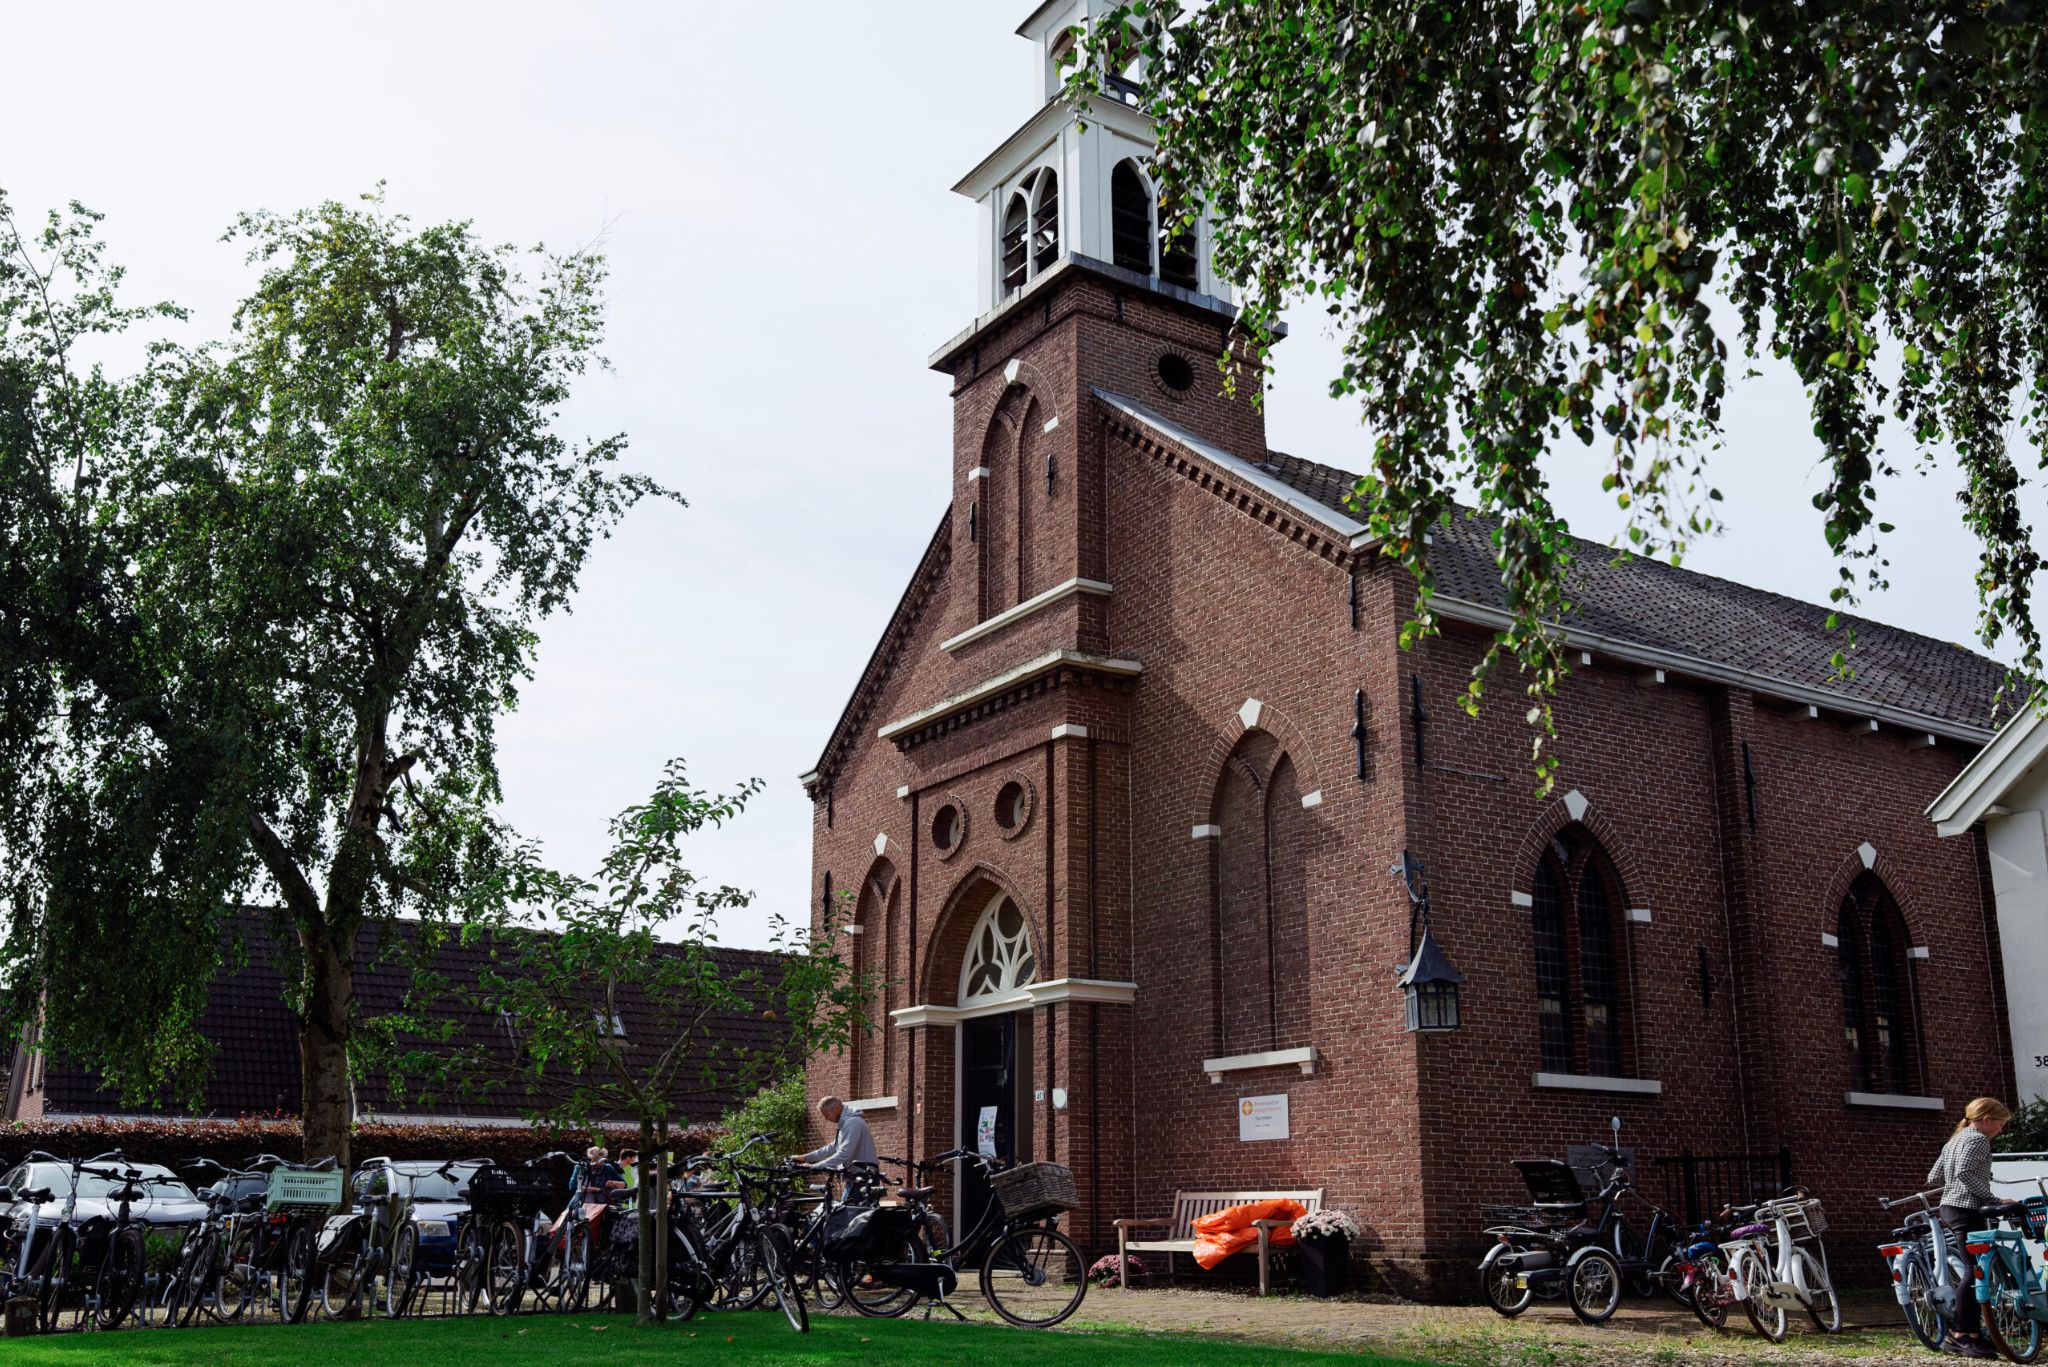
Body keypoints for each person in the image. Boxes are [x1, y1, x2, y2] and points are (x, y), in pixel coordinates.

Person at [1928, 1097, 2013, 1359]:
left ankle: (1971, 1333)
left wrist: (1958, 1185)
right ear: (1987, 1119)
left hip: (1950, 1208)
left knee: (1973, 1271)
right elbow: (1964, 1172)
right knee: (1973, 1272)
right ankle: (1963, 1335)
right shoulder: (1977, 1139)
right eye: (2000, 1123)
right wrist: (1993, 1199)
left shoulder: (1955, 1139)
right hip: (1966, 1209)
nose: (2001, 1129)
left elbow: (1933, 1177)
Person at [794, 1095, 876, 1170]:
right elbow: (833, 1147)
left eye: (827, 1115)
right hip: (856, 1173)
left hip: (864, 1174)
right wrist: (805, 1157)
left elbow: (844, 1153)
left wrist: (816, 1166)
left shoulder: (852, 1123)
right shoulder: (845, 1122)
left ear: (836, 1109)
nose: (826, 1119)